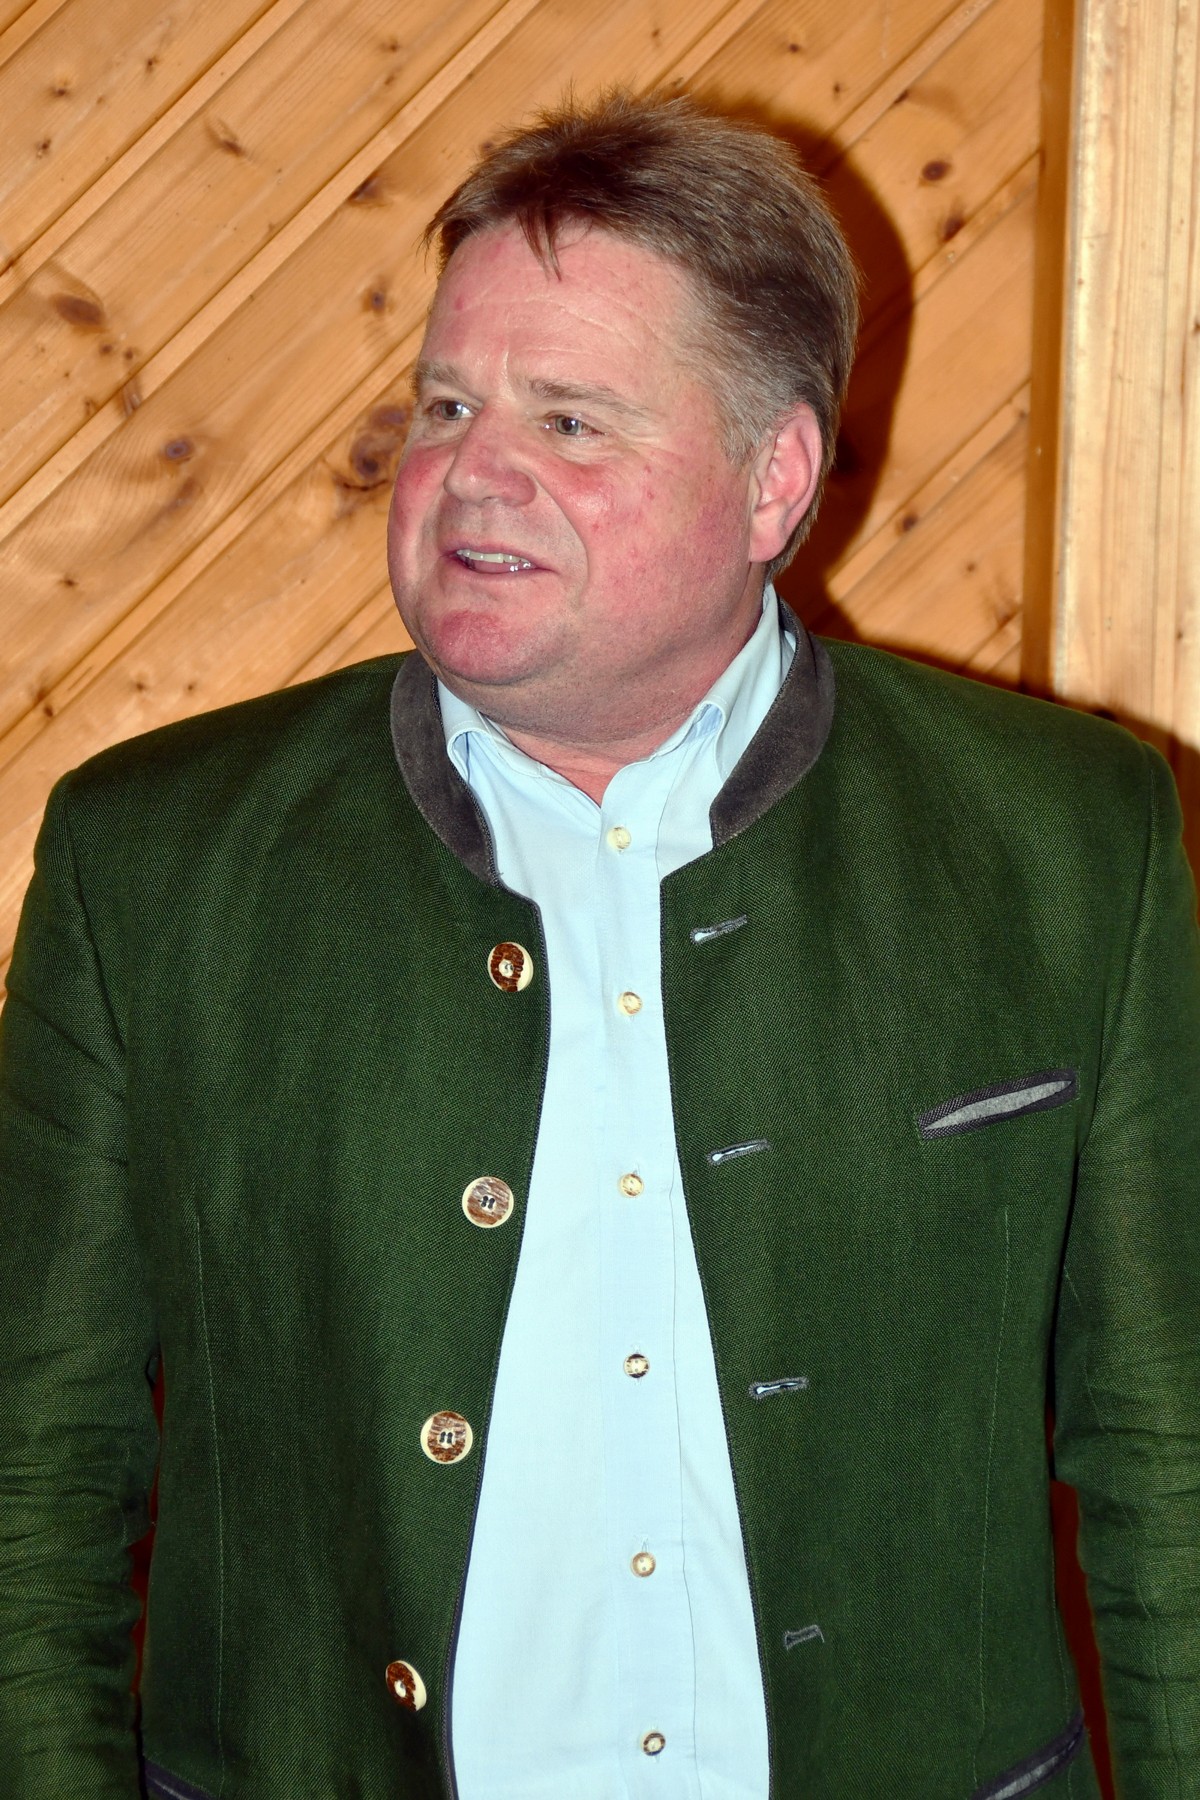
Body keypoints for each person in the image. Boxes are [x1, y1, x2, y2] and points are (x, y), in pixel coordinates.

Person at [0, 89, 1197, 1800]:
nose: (470, 473)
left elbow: (1168, 1456)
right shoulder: (156, 859)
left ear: (773, 479)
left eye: (569, 420)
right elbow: (34, 1473)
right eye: (447, 404)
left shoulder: (1068, 837)